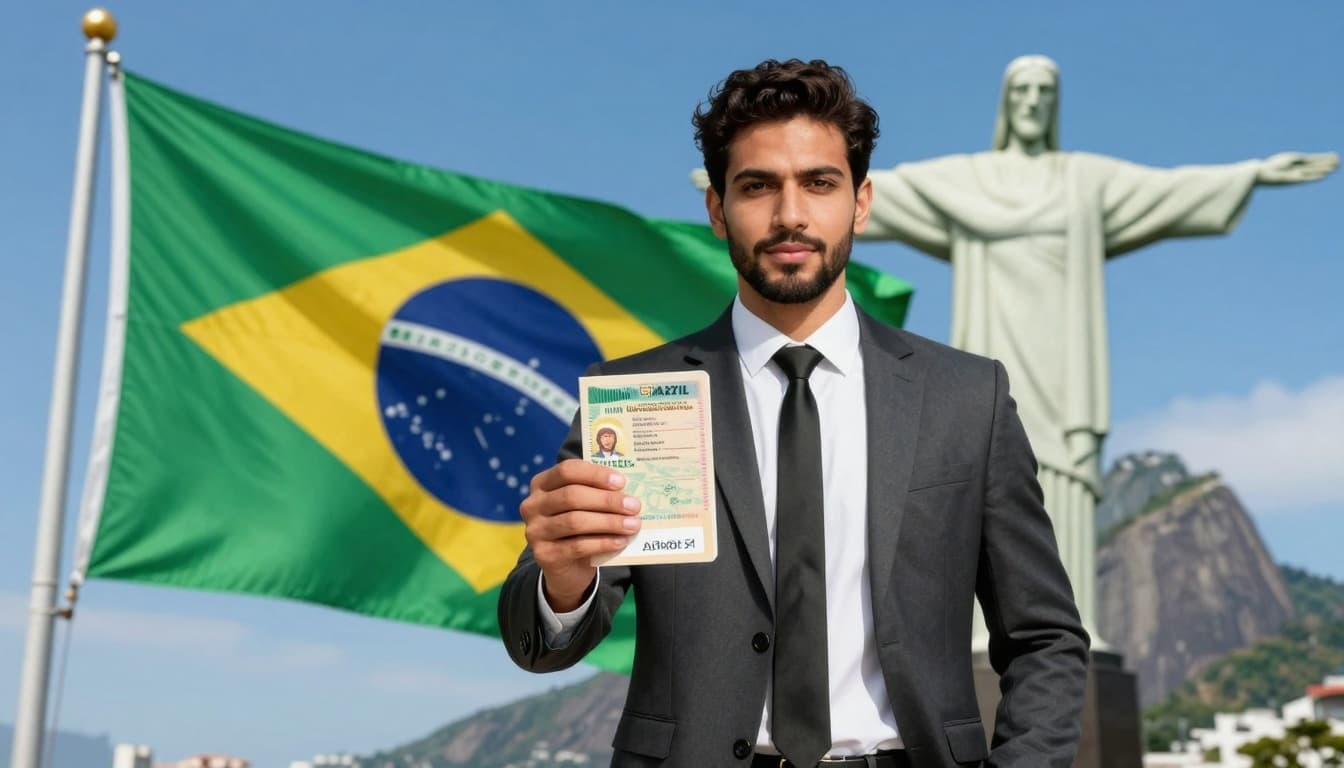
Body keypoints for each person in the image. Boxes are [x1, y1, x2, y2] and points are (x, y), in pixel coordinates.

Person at [499, 59, 1088, 768]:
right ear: (717, 208)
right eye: (757, 186)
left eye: (819, 183)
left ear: (861, 201)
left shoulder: (968, 398)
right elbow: (541, 643)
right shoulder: (633, 397)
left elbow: (1045, 637)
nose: (790, 215)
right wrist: (564, 579)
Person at [858, 55, 1338, 643]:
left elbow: (1170, 188)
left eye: (1044, 93)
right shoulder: (968, 179)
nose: (1033, 103)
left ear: (1053, 105)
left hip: (1064, 355)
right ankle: (989, 626)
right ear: (1007, 104)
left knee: (1065, 478)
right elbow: (883, 190)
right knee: (986, 463)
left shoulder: (1084, 178)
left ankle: (1070, 615)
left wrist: (1254, 173)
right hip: (992, 342)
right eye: (1023, 92)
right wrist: (765, 182)